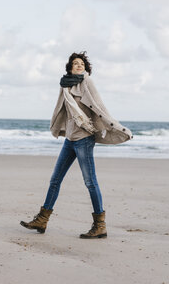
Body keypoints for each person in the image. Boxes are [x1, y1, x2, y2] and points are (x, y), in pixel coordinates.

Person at [20, 51, 133, 239]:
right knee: (55, 180)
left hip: (84, 139)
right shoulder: (65, 85)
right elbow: (61, 109)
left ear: (86, 67)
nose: (79, 65)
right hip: (70, 140)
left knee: (90, 182)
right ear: (70, 68)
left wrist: (117, 127)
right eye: (75, 64)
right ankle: (42, 219)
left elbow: (99, 107)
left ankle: (100, 225)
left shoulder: (87, 83)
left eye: (81, 63)